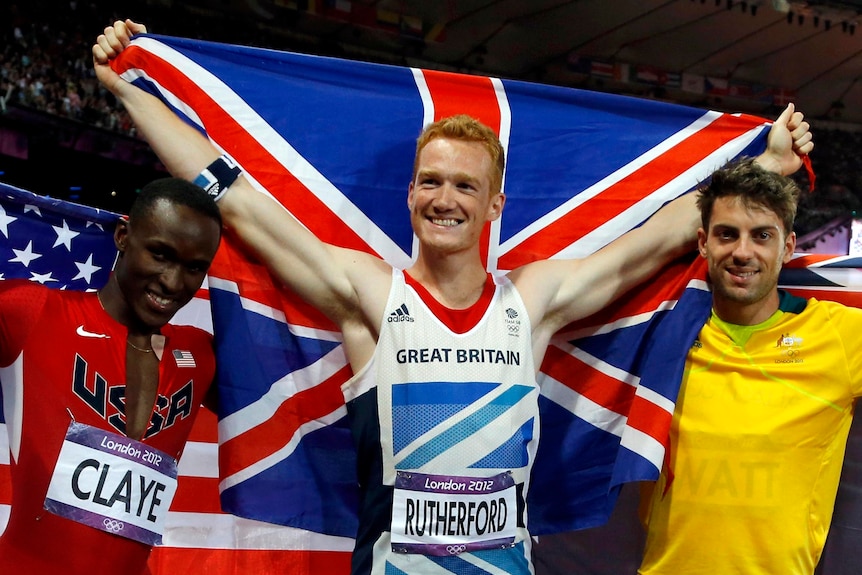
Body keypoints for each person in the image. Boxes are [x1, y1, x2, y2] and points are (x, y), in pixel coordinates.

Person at [93, 20, 813, 575]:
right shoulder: (370, 295)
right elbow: (239, 200)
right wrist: (130, 92)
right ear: (408, 194)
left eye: (465, 185)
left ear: (495, 203)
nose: (445, 198)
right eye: (431, 181)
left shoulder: (531, 301)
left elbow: (660, 237)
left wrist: (767, 164)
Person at [635, 158, 861, 574]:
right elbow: (638, 245)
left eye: (761, 236)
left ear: (787, 247)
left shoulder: (841, 336)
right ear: (702, 242)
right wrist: (768, 162)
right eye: (727, 234)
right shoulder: (660, 329)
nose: (743, 252)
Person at [0, 178, 223, 575]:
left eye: (194, 268)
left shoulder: (202, 356)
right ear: (123, 236)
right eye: (160, 254)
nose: (172, 283)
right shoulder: (31, 313)